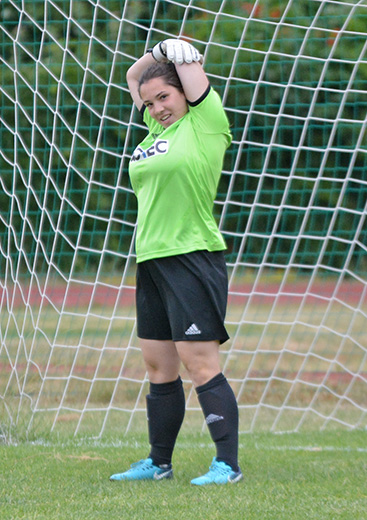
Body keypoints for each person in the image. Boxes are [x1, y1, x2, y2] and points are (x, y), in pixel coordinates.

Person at [109, 39, 242, 486]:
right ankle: (158, 463)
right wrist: (156, 50)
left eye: (165, 96)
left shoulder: (205, 124)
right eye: (150, 103)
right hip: (151, 260)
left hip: (191, 256)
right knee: (157, 365)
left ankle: (227, 465)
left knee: (199, 362)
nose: (157, 107)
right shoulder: (153, 131)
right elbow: (134, 77)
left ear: (185, 93)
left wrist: (182, 51)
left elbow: (189, 78)